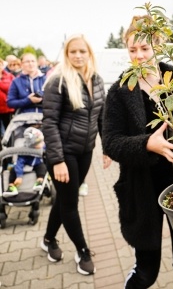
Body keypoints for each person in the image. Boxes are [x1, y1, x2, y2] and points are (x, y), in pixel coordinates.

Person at [102, 15, 173, 289]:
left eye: (145, 48)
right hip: (142, 188)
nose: (139, 56)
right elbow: (111, 141)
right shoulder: (120, 91)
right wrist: (147, 144)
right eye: (132, 50)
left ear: (158, 45)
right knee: (146, 271)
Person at [41, 34, 112, 275]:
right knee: (70, 204)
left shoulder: (97, 80)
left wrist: (106, 149)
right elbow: (49, 123)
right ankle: (82, 250)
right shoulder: (57, 82)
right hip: (63, 153)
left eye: (82, 51)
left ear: (90, 53)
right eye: (73, 52)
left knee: (64, 199)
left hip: (85, 151)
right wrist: (58, 160)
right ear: (67, 54)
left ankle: (48, 239)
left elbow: (101, 118)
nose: (78, 55)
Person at [3, 127, 46, 197]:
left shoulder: (43, 146)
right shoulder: (24, 151)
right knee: (13, 169)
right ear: (33, 145)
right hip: (24, 165)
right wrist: (19, 176)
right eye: (40, 142)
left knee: (42, 166)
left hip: (36, 164)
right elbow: (19, 163)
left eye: (42, 141)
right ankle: (11, 187)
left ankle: (39, 181)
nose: (43, 143)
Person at [0, 58, 15, 137]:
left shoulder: (9, 76)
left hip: (6, 108)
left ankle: (9, 147)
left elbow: (11, 89)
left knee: (8, 129)